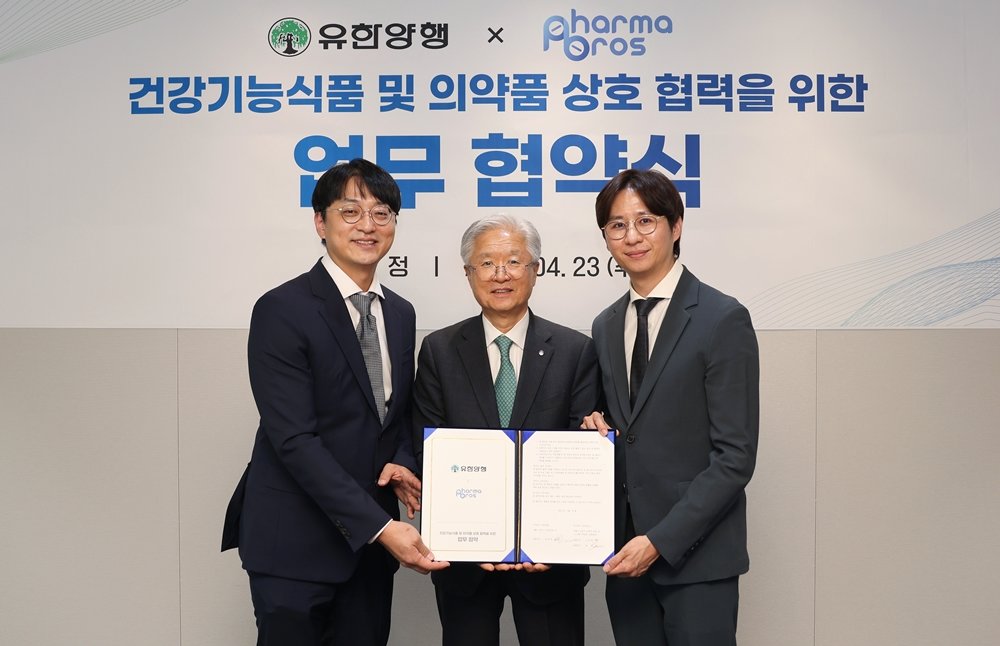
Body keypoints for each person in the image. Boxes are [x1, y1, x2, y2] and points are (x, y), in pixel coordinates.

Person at [221, 158, 447, 646]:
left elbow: (394, 414)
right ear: (320, 223)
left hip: (367, 556)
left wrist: (403, 461)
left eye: (382, 213)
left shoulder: (400, 313)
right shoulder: (282, 309)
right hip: (294, 543)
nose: (368, 225)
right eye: (350, 211)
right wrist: (381, 527)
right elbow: (293, 439)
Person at [582, 169, 759, 646]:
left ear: (676, 225)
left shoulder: (722, 318)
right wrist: (592, 425)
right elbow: (627, 425)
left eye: (646, 221)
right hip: (625, 557)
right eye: (617, 225)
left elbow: (735, 457)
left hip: (698, 560)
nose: (632, 237)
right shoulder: (604, 325)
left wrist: (660, 541)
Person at [413, 215, 599, 646]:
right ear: (468, 273)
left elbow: (581, 459)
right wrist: (474, 536)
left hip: (550, 563)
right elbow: (429, 450)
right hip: (465, 561)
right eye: (486, 263)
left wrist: (549, 539)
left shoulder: (575, 350)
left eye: (514, 261)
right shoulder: (439, 350)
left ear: (535, 269)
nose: (501, 275)